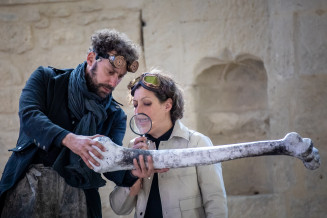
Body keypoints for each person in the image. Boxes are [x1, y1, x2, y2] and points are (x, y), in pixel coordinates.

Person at [0, 28, 156, 218]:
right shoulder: (46, 79)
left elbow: (111, 165)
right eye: (110, 72)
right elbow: (29, 117)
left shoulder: (115, 115)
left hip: (81, 196)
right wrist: (70, 139)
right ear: (91, 59)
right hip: (29, 187)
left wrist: (134, 172)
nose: (114, 82)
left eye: (120, 77)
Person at [109, 69, 228, 218]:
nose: (138, 111)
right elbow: (119, 209)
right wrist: (133, 176)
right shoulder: (134, 146)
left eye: (146, 103)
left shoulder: (198, 142)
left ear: (167, 105)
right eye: (135, 104)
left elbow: (216, 203)